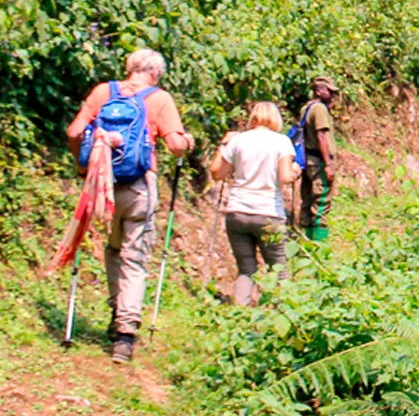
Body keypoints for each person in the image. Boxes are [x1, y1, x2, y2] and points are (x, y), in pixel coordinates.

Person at [65, 48, 193, 363]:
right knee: (134, 257)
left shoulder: (102, 92)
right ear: (156, 73)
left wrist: (82, 166)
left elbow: (74, 131)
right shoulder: (159, 99)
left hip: (102, 186)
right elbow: (175, 147)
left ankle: (115, 310)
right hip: (139, 186)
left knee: (113, 249)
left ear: (130, 67)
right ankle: (125, 334)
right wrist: (186, 142)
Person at [209, 102, 297, 306]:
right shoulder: (281, 142)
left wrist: (223, 145)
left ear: (253, 117)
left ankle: (240, 312)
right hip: (268, 212)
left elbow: (216, 173)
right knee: (278, 268)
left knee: (246, 268)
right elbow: (285, 177)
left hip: (237, 210)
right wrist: (295, 171)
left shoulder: (238, 140)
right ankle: (284, 313)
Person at [297, 76, 339, 242]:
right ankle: (319, 245)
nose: (332, 95)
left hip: (308, 161)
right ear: (320, 91)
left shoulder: (307, 108)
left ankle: (304, 242)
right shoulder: (319, 109)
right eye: (330, 91)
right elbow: (321, 136)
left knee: (306, 201)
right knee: (321, 202)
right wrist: (328, 164)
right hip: (319, 162)